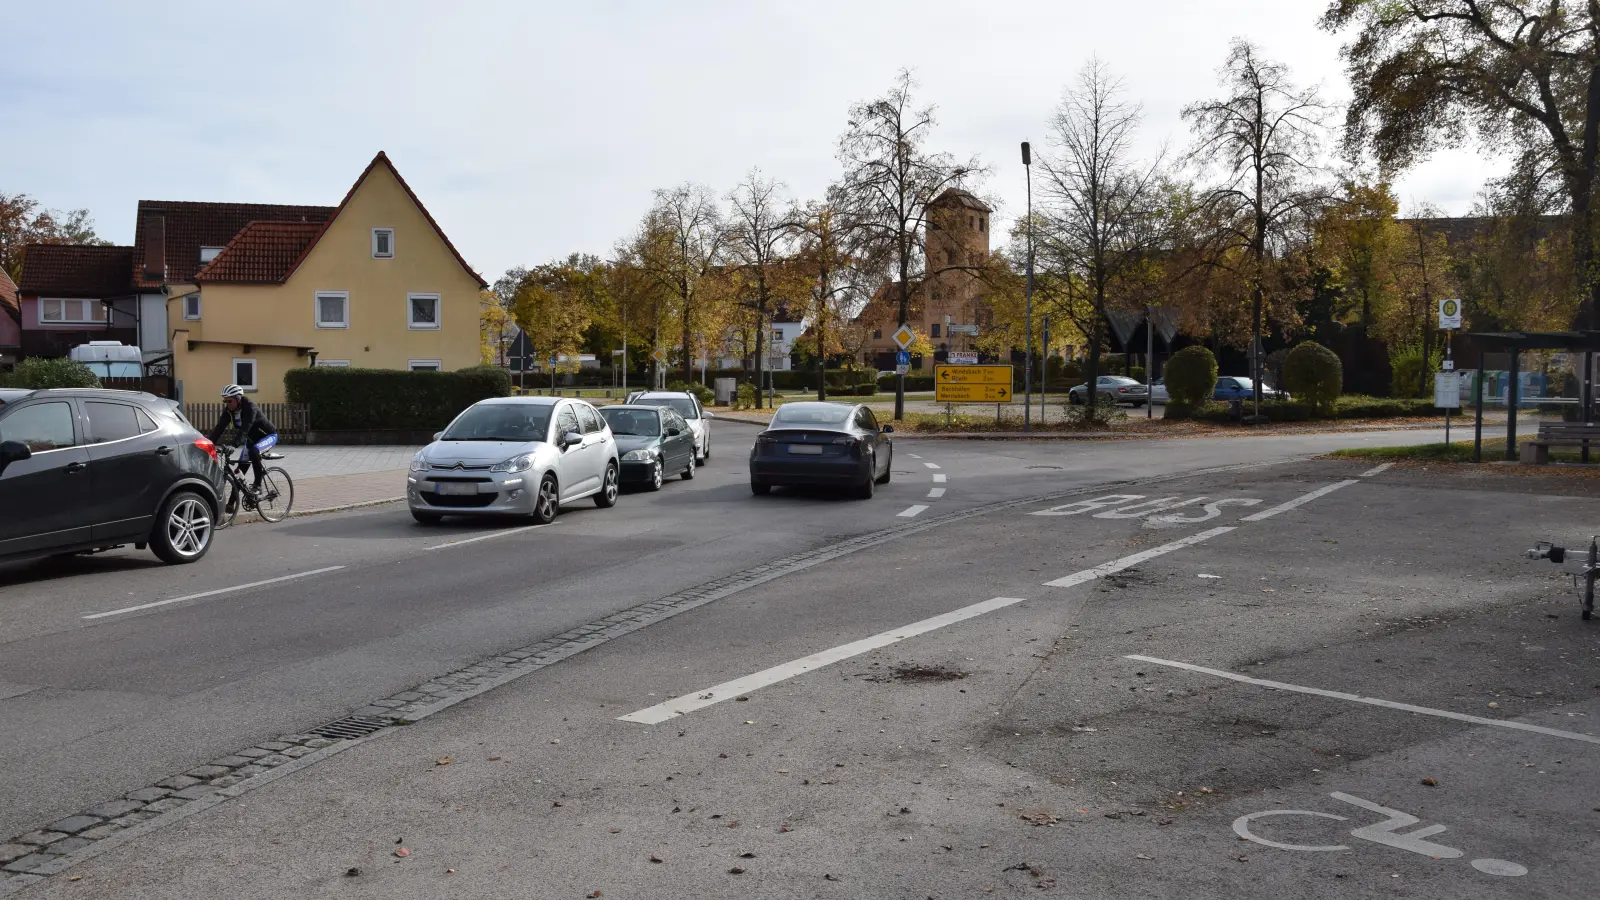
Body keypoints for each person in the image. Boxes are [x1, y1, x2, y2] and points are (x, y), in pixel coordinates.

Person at [210, 384, 278, 491]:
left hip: (268, 436)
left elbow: (245, 429)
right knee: (239, 473)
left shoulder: (250, 407)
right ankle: (231, 505)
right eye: (225, 401)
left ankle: (258, 485)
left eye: (229, 401)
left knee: (254, 452)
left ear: (238, 398)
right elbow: (219, 428)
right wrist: (209, 443)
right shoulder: (229, 411)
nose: (227, 404)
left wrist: (233, 445)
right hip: (252, 439)